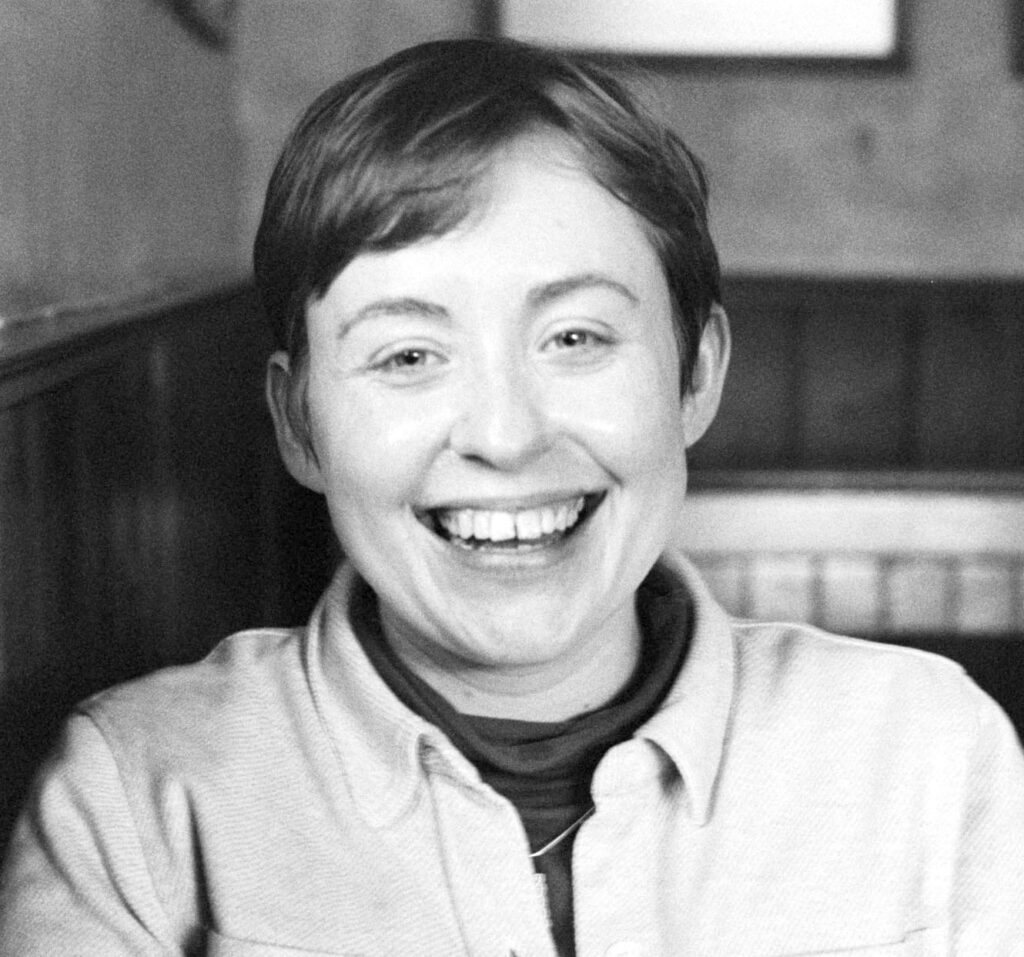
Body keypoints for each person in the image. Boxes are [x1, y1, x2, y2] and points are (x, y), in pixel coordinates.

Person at [2, 36, 1023, 957]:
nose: (504, 435)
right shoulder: (137, 805)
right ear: (299, 421)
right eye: (407, 354)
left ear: (695, 375)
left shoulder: (928, 758)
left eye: (574, 338)